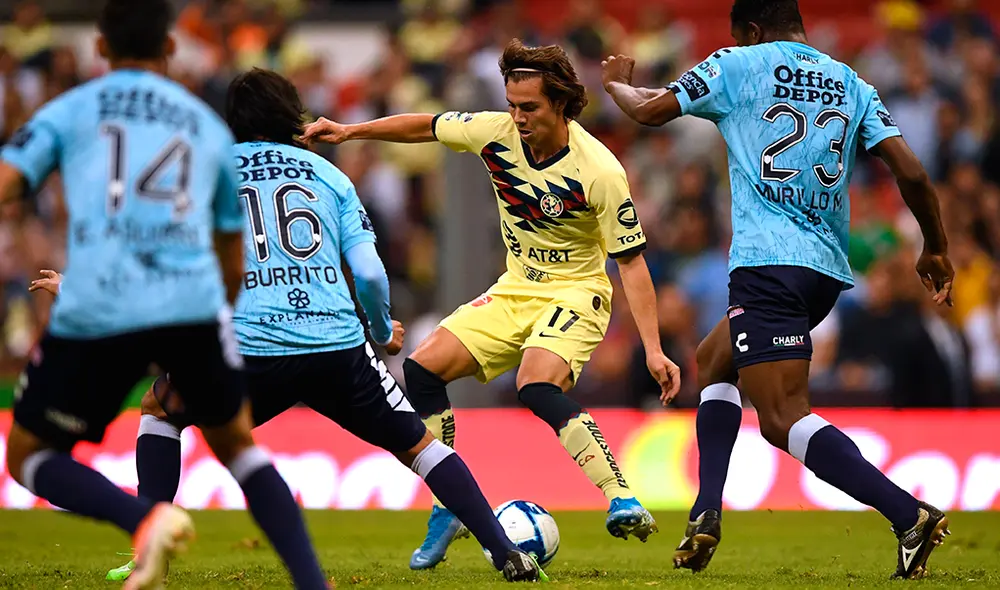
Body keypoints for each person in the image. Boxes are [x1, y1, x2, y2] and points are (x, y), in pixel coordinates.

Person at [29, 68, 545, 584]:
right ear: (292, 117)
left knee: (160, 410)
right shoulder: (328, 175)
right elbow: (367, 270)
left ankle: (150, 545)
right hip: (337, 347)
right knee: (419, 445)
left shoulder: (209, 171)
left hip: (253, 348)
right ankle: (505, 552)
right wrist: (382, 327)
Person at [602, 0, 955, 580]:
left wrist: (615, 84)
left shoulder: (737, 64)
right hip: (823, 273)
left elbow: (649, 111)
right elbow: (912, 172)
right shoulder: (850, 80)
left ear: (752, 32)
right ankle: (706, 508)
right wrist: (935, 245)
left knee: (781, 417)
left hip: (766, 265)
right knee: (714, 359)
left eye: (740, 38)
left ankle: (907, 513)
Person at [303, 38, 681, 570]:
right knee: (422, 369)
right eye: (512, 105)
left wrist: (653, 349)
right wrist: (349, 131)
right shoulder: (495, 133)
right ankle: (446, 508)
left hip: (577, 292)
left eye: (529, 108)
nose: (518, 117)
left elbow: (633, 264)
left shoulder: (600, 169)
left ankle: (621, 497)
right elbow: (425, 126)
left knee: (535, 382)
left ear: (561, 104)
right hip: (515, 287)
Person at [0, 2, 331, 589]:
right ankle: (312, 583)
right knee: (239, 446)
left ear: (100, 48)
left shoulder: (71, 110)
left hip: (101, 308)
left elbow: (8, 183)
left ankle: (143, 517)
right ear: (171, 49)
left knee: (26, 453)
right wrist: (213, 320)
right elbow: (231, 254)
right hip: (191, 308)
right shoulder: (204, 124)